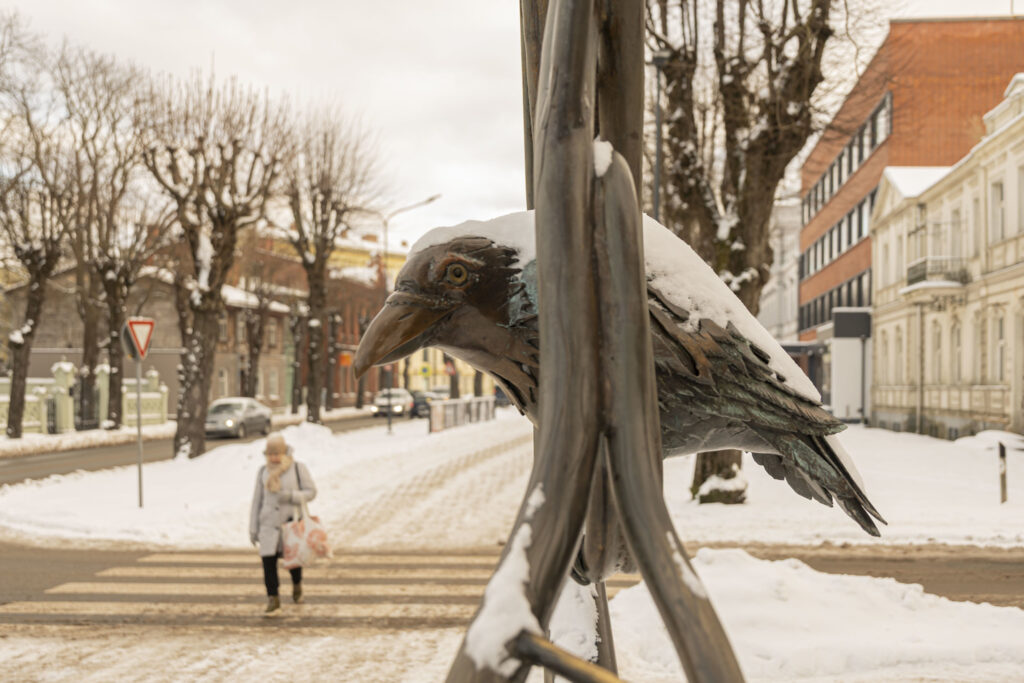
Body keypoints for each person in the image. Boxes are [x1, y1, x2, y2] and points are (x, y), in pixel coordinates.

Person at [249, 432, 317, 615]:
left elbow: (311, 492)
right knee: (268, 563)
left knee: (293, 563)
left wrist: (291, 497)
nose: (273, 458)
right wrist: (253, 527)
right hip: (268, 525)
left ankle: (297, 586)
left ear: (284, 452)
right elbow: (257, 500)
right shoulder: (263, 471)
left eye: (276, 454)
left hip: (290, 524)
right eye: (270, 454)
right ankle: (273, 599)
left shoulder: (297, 468)